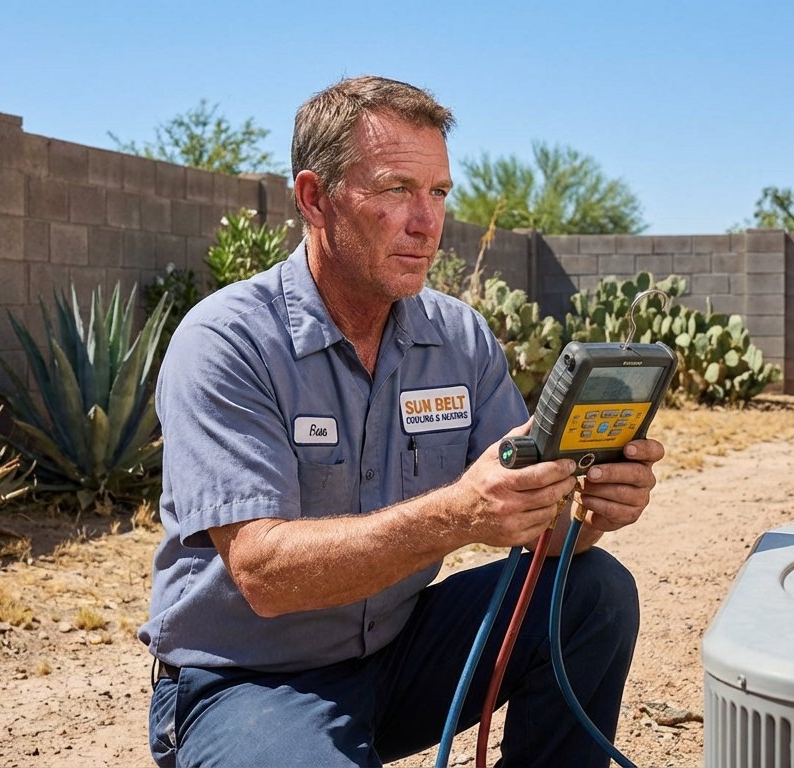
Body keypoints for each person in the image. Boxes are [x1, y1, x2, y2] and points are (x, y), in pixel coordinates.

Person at [140, 75, 665, 768]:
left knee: (592, 592)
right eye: (395, 190)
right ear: (314, 197)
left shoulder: (459, 340)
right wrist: (457, 515)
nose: (427, 222)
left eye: (438, 193)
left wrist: (592, 513)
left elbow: (536, 520)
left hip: (397, 656)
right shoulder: (230, 342)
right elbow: (264, 574)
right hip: (249, 682)